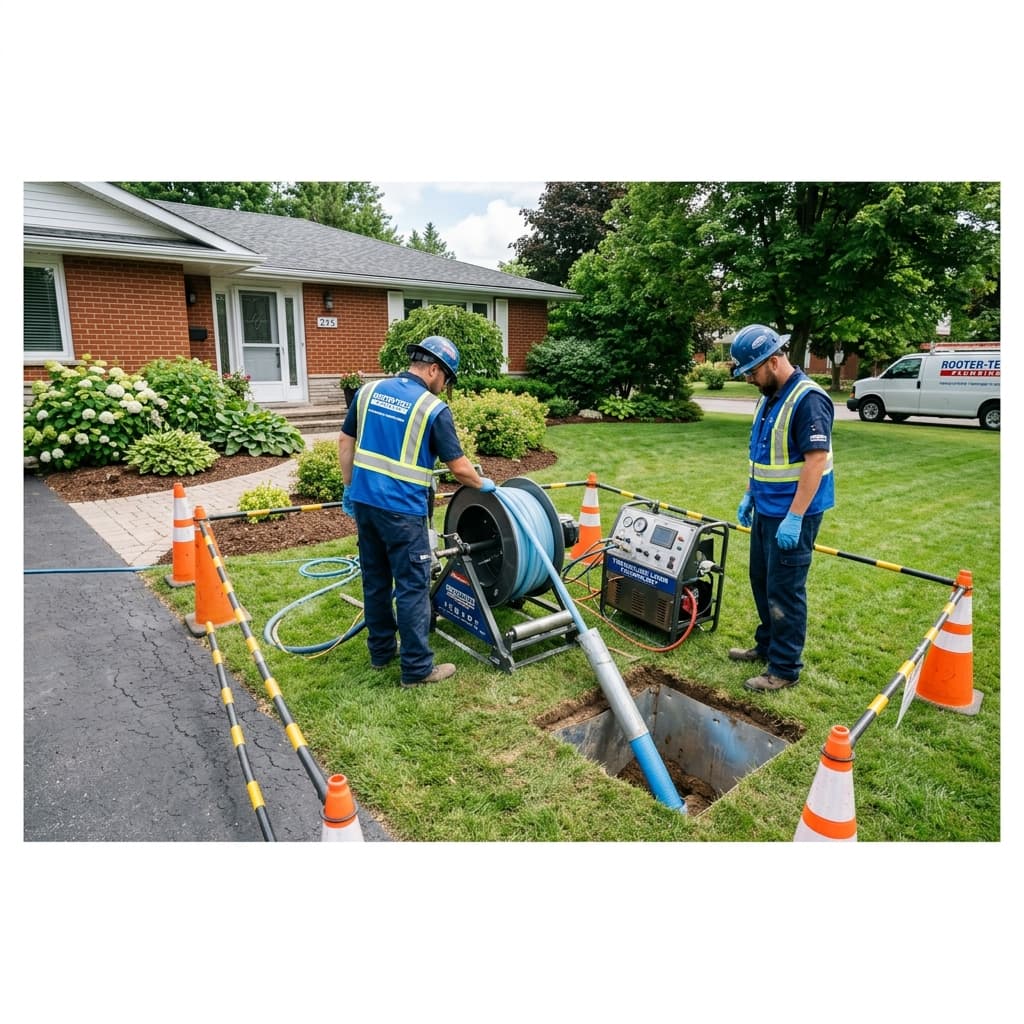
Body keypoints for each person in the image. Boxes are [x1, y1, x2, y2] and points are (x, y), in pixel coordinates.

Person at [338, 336, 496, 688]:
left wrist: (349, 487)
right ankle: (417, 669)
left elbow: (345, 441)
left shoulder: (368, 392)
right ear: (434, 369)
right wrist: (482, 483)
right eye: (447, 379)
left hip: (365, 504)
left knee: (376, 580)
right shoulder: (432, 409)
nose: (445, 386)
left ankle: (381, 653)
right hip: (402, 512)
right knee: (412, 586)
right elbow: (459, 468)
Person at [728, 324, 835, 692]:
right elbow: (760, 454)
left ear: (773, 361)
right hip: (766, 508)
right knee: (762, 581)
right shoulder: (769, 396)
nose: (749, 379)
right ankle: (767, 646)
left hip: (793, 515)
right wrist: (750, 494)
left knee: (785, 589)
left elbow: (815, 461)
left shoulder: (808, 399)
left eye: (752, 371)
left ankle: (785, 668)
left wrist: (795, 516)